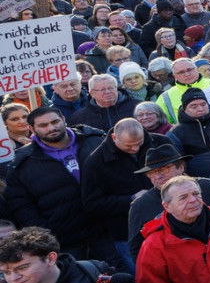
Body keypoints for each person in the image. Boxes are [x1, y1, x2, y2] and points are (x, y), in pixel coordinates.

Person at [5, 108, 114, 262]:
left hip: (109, 229)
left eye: (55, 122)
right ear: (32, 129)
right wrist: (47, 233)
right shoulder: (21, 163)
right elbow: (22, 206)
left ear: (63, 119)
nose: (51, 128)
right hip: (66, 240)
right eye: (43, 125)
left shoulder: (95, 140)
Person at [81, 117, 174, 273]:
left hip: (171, 222)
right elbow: (92, 203)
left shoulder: (161, 143)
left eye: (139, 143)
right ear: (114, 138)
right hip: (128, 232)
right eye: (129, 146)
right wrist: (130, 200)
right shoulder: (96, 162)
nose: (135, 149)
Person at [136, 176, 210, 283]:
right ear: (167, 206)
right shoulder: (155, 243)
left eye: (196, 194)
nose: (193, 200)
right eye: (183, 197)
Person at [127, 144, 210, 258]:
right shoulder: (141, 205)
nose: (157, 176)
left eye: (163, 169)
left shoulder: (207, 187)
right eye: (151, 173)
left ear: (181, 167)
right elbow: (137, 250)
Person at [0, 227, 131, 283]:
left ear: (50, 258)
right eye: (6, 272)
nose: (13, 278)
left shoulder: (94, 273)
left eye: (22, 268)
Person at [68, 74, 140, 131]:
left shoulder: (137, 107)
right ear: (92, 93)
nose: (108, 92)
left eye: (111, 88)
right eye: (102, 90)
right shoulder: (79, 118)